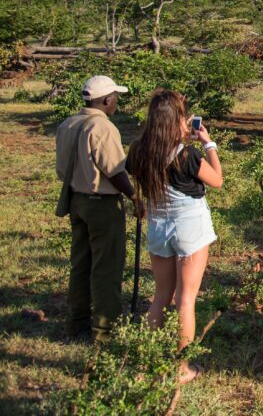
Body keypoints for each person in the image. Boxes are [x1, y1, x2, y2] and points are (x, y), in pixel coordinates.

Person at [125, 90, 222, 384]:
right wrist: (208, 144)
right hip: (190, 229)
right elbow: (217, 180)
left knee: (160, 297)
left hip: (158, 228)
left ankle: (147, 360)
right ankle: (181, 368)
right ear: (177, 120)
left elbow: (135, 172)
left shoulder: (138, 151)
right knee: (186, 300)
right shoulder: (186, 155)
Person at [55, 75, 143, 342]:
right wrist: (134, 195)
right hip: (102, 204)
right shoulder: (103, 127)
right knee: (106, 267)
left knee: (80, 264)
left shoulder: (67, 124)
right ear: (107, 100)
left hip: (76, 200)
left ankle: (76, 323)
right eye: (115, 97)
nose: (116, 102)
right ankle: (105, 330)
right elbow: (114, 171)